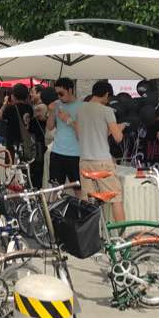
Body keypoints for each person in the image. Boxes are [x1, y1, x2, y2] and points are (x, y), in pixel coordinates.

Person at [76, 81, 127, 221]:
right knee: (116, 198)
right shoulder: (107, 111)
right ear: (106, 94)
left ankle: (92, 232)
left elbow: (79, 135)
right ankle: (122, 234)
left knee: (88, 201)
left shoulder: (80, 109)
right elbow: (118, 138)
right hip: (102, 161)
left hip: (84, 161)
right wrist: (120, 128)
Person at [46, 78, 83, 185]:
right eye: (57, 94)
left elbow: (82, 133)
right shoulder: (56, 105)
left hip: (75, 154)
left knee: (78, 188)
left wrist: (69, 120)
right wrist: (51, 112)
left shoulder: (81, 106)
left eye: (61, 93)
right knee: (55, 187)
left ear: (70, 90)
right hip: (57, 152)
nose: (59, 96)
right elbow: (50, 127)